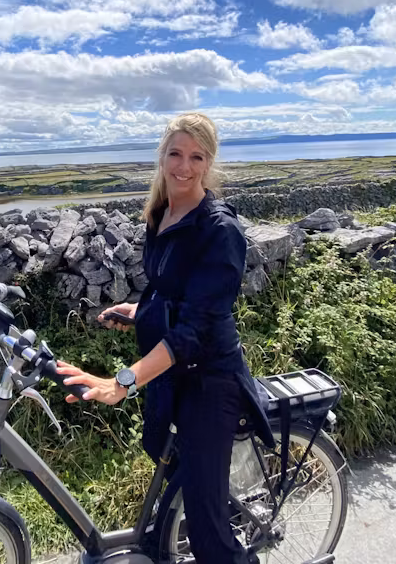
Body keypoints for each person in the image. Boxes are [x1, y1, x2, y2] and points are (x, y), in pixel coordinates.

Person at [56, 112, 275, 564]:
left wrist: (120, 383)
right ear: (161, 157)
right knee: (170, 467)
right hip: (172, 375)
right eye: (175, 153)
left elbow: (196, 330)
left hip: (210, 380)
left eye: (197, 157)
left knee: (210, 533)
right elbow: (170, 291)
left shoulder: (219, 231)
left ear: (209, 163)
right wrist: (141, 311)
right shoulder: (161, 214)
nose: (184, 167)